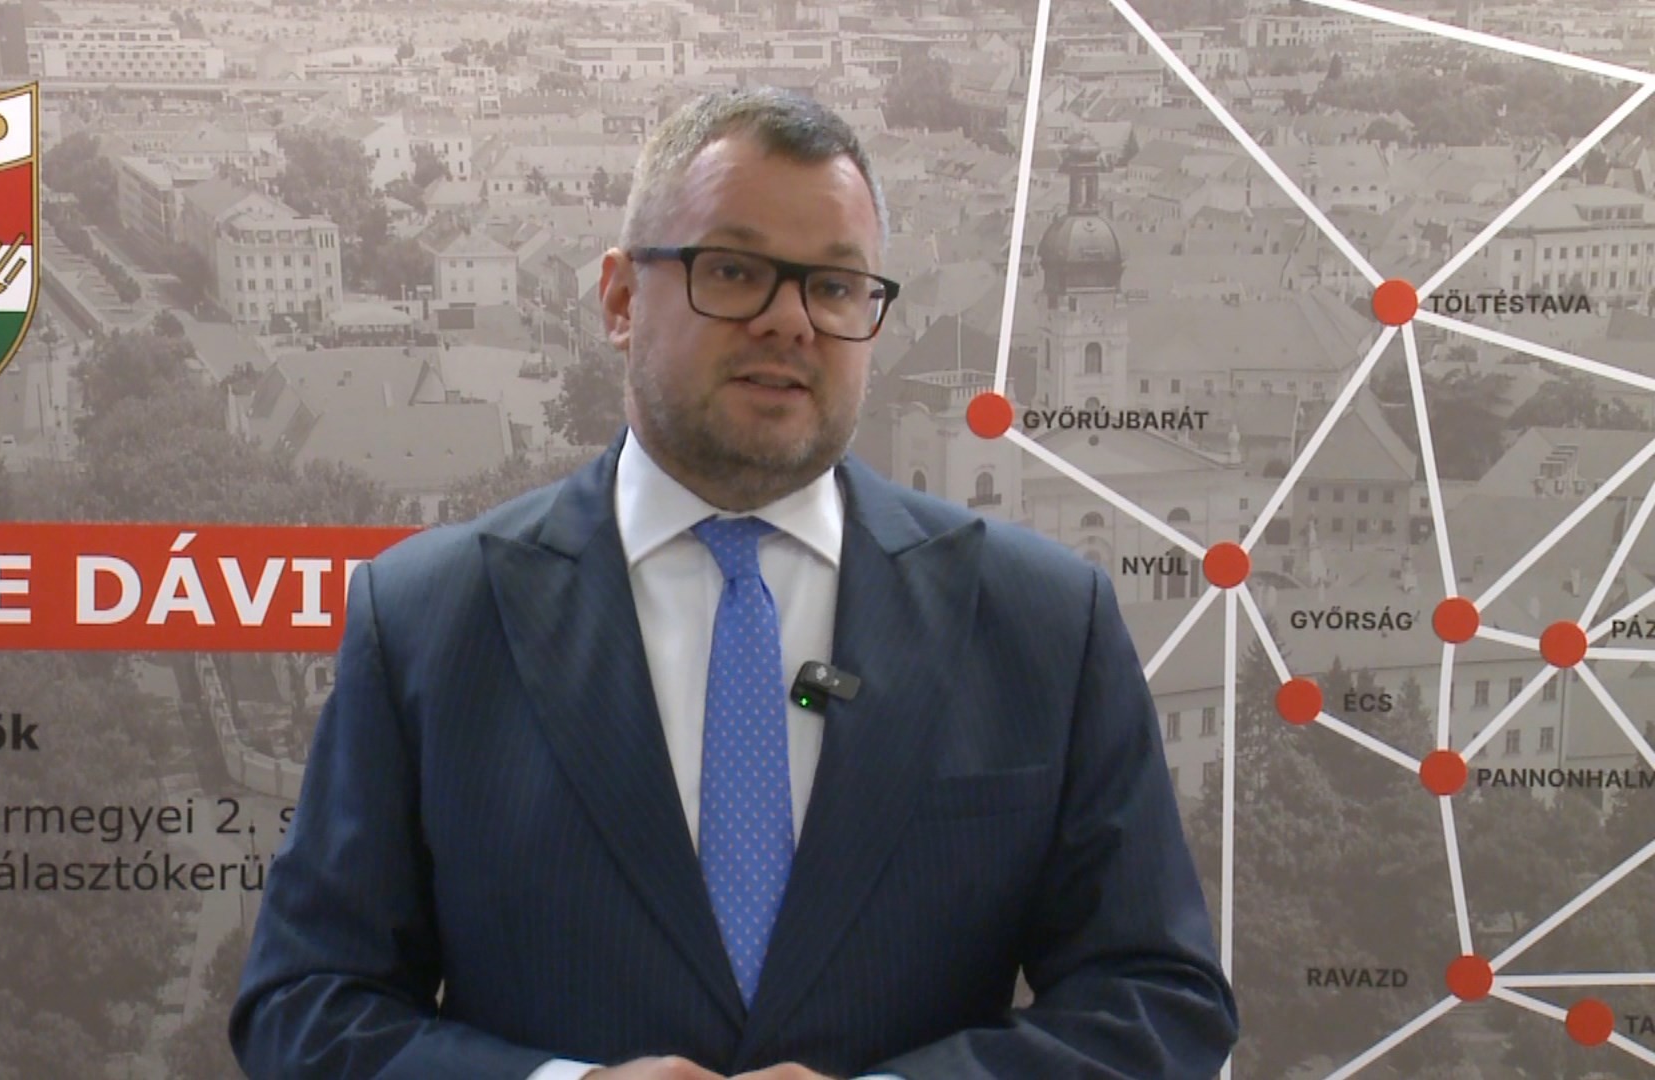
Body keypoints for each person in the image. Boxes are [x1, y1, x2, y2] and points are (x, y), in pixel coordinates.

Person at [230, 86, 1238, 1079]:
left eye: (834, 286)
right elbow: (305, 1008)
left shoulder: (1043, 622)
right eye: (735, 271)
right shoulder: (426, 619)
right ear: (620, 300)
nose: (790, 321)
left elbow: (1158, 1003)